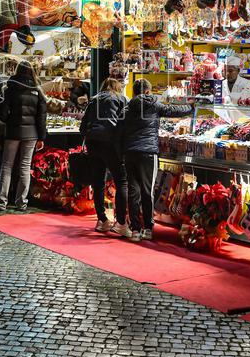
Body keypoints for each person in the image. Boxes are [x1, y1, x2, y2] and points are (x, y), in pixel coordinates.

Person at [120, 78, 194, 241]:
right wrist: (191, 106)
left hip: (130, 152)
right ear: (148, 91)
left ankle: (135, 230)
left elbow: (120, 127)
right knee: (148, 191)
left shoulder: (128, 107)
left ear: (134, 91)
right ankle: (148, 228)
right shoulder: (154, 104)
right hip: (148, 153)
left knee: (134, 191)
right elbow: (174, 110)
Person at [0, 61, 46, 211]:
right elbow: (42, 117)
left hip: (13, 132)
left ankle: (1, 201)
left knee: (7, 166)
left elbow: (3, 114)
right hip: (32, 134)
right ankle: (21, 202)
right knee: (25, 166)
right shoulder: (38, 91)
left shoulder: (10, 89)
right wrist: (41, 137)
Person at [79, 78, 129, 235]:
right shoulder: (121, 99)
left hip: (93, 144)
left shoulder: (94, 100)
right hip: (111, 144)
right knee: (121, 181)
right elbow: (125, 123)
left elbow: (82, 126)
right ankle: (121, 222)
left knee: (98, 183)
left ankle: (102, 220)